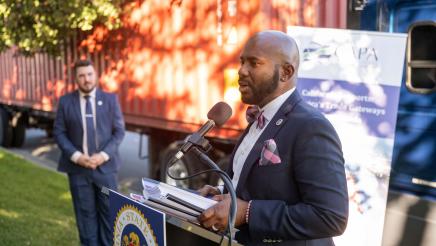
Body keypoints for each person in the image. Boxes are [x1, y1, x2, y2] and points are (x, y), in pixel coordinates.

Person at [198, 30, 348, 245]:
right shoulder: (259, 118)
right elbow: (262, 188)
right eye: (242, 62)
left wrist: (248, 212)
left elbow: (330, 216)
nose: (241, 71)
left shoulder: (311, 126)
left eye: (254, 63)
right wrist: (220, 195)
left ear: (286, 72)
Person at [53, 59, 125, 245]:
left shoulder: (110, 100)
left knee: (110, 216)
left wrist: (102, 156)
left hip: (106, 170)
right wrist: (77, 157)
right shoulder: (65, 102)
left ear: (96, 75)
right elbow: (59, 133)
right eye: (82, 76)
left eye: (89, 74)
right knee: (85, 219)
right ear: (75, 79)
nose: (87, 79)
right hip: (78, 170)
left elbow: (119, 132)